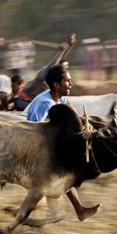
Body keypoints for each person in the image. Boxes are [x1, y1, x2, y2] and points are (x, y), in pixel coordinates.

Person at [26, 64, 98, 220]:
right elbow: (32, 128)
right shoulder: (46, 104)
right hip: (33, 148)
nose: (71, 84)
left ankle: (79, 210)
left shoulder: (60, 98)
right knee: (63, 169)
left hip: (46, 146)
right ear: (57, 85)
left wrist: (87, 123)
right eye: (67, 81)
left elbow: (70, 117)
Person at [13, 33, 76, 111]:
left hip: (31, 102)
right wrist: (61, 51)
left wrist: (69, 46)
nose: (66, 69)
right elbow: (54, 63)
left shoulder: (56, 78)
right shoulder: (45, 72)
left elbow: (59, 60)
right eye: (64, 67)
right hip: (22, 101)